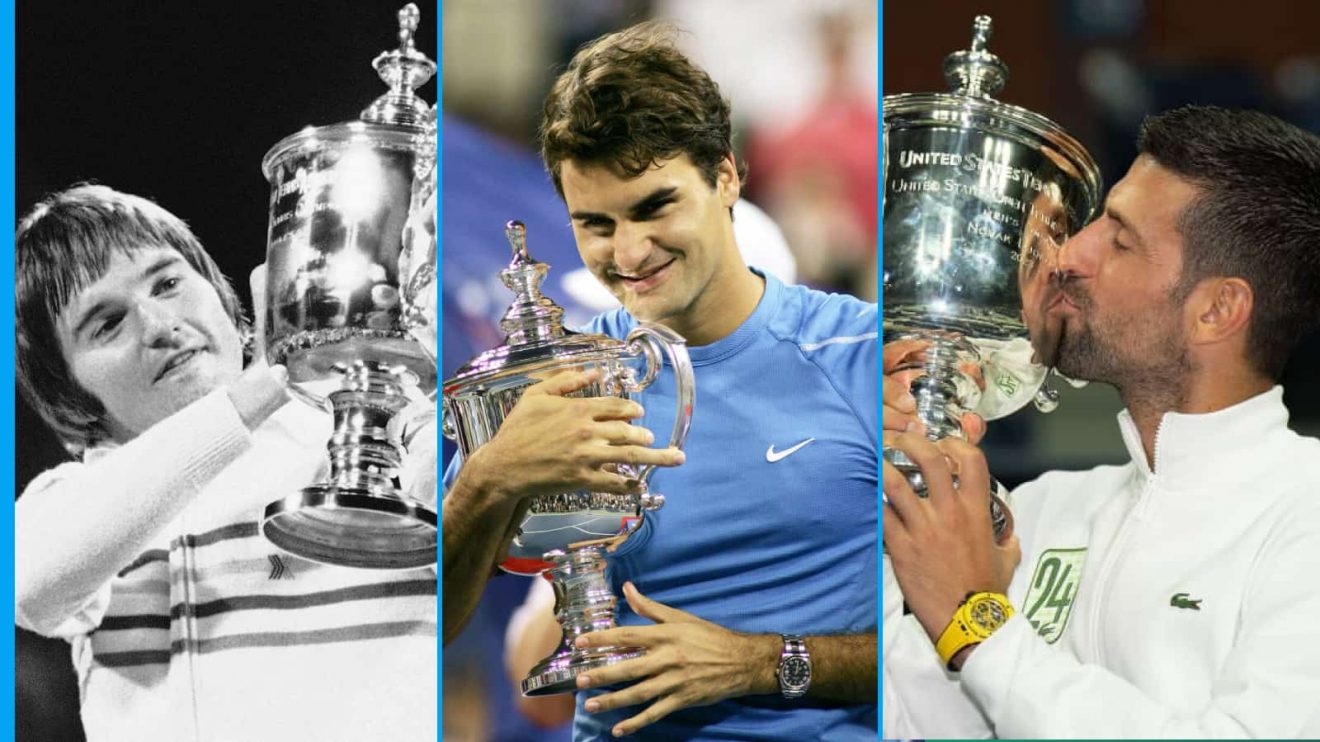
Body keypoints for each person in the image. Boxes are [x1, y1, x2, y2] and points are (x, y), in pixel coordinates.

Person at [483, 22, 879, 740]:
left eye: (655, 207)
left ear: (726, 176)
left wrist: (760, 663)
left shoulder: (864, 354)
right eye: (595, 224)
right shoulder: (550, 382)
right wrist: (486, 480)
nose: (628, 252)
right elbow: (488, 659)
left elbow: (955, 637)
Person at [882, 106, 1320, 738]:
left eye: (1119, 240)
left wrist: (978, 625)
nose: (1068, 254)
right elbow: (912, 724)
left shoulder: (1303, 518)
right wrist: (892, 484)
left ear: (1217, 310)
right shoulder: (1043, 510)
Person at [14, 185, 437, 742]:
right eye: (107, 323)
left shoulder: (380, 429)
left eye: (168, 283)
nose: (160, 324)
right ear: (68, 389)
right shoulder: (81, 497)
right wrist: (269, 378)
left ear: (218, 291)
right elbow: (28, 582)